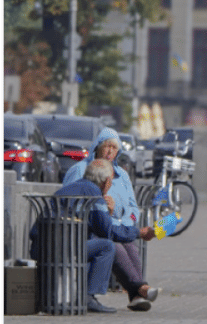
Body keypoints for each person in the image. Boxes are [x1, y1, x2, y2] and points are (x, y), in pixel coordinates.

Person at [63, 127, 160, 311]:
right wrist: (106, 212)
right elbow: (73, 203)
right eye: (106, 147)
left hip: (117, 225)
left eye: (114, 148)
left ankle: (136, 295)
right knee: (114, 243)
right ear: (96, 148)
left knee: (129, 244)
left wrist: (124, 221)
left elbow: (132, 207)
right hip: (91, 230)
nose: (109, 152)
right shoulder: (82, 170)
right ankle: (140, 289)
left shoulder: (122, 175)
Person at [42, 158, 119, 313]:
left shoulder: (72, 188)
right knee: (107, 246)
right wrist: (110, 212)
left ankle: (83, 295)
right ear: (106, 181)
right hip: (63, 248)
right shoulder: (94, 193)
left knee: (89, 242)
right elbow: (105, 230)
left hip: (42, 246)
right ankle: (88, 297)